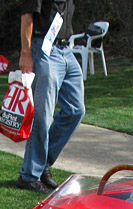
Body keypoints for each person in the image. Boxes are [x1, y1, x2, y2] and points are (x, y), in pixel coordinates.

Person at [16, 0, 85, 194]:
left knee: (75, 110)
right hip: (44, 49)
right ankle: (29, 176)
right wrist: (26, 52)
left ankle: (42, 162)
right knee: (42, 116)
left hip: (65, 50)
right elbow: (27, 15)